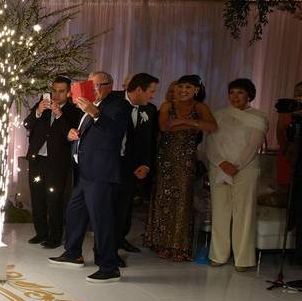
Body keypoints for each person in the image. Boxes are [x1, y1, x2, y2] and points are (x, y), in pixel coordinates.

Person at [48, 71, 131, 283]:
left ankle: (109, 266)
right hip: (86, 171)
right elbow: (88, 134)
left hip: (101, 172)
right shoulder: (90, 105)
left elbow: (114, 131)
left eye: (94, 86)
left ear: (108, 86)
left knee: (101, 220)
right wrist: (72, 135)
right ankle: (73, 253)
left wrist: (95, 113)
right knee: (75, 212)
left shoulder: (118, 104)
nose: (90, 90)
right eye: (88, 85)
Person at [145, 75, 218, 261]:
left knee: (183, 202)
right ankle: (161, 243)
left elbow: (212, 126)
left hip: (186, 160)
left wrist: (182, 122)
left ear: (196, 90)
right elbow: (164, 127)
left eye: (188, 87)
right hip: (166, 159)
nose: (183, 90)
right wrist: (192, 125)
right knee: (164, 200)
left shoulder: (200, 107)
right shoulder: (168, 106)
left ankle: (180, 246)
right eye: (180, 86)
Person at [206, 79, 268, 271]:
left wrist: (236, 165)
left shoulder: (259, 116)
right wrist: (221, 163)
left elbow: (253, 144)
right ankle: (218, 255)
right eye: (232, 92)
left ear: (249, 95)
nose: (235, 96)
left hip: (246, 169)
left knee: (244, 212)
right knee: (220, 210)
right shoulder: (218, 115)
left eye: (240, 92)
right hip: (219, 168)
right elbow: (211, 143)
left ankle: (243, 259)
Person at [22, 76, 82, 249]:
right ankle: (40, 233)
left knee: (54, 199)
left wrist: (60, 115)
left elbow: (72, 134)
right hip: (37, 160)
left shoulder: (73, 111)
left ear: (69, 92)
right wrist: (38, 112)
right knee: (37, 197)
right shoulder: (43, 103)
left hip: (57, 163)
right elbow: (27, 124)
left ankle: (55, 236)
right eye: (54, 90)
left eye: (61, 91)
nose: (56, 94)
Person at [111, 73, 160, 253]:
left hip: (131, 165)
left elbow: (148, 140)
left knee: (125, 207)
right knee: (108, 208)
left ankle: (118, 240)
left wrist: (146, 164)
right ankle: (107, 248)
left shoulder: (150, 110)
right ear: (139, 89)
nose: (153, 96)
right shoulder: (112, 100)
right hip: (109, 163)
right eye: (151, 91)